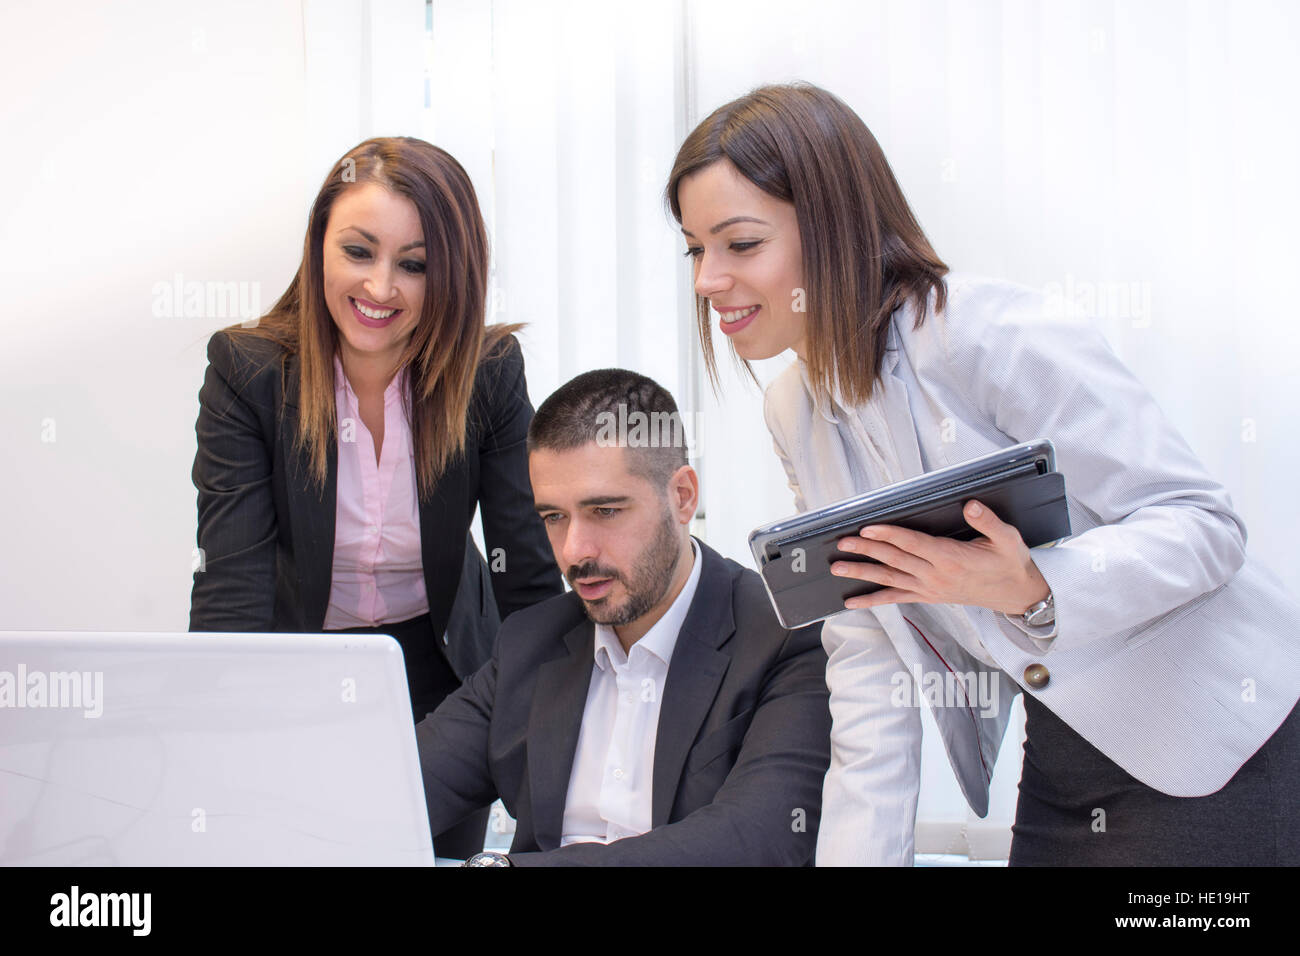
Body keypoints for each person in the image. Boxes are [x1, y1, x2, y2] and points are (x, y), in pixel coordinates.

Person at [666, 82, 1300, 866]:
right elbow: (870, 652)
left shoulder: (985, 333)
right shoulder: (794, 411)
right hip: (1067, 750)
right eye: (696, 249)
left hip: (1212, 736)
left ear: (831, 227)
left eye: (740, 244)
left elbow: (1205, 526)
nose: (706, 281)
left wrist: (1033, 588)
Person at [189, 137, 564, 858]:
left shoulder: (487, 373)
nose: (381, 288)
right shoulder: (248, 372)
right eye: (358, 252)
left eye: (414, 265)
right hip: (296, 665)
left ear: (450, 273)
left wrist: (550, 708)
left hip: (442, 671)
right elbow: (234, 583)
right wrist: (220, 729)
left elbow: (529, 569)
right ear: (319, 245)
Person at [415, 369, 831, 865]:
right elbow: (400, 790)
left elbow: (758, 838)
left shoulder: (787, 633)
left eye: (605, 511)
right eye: (554, 517)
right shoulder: (531, 641)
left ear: (682, 497)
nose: (574, 551)